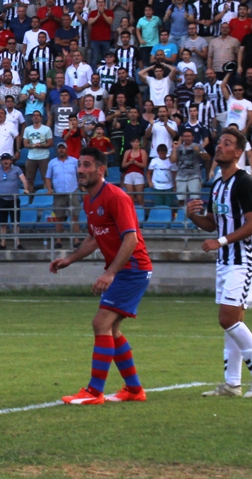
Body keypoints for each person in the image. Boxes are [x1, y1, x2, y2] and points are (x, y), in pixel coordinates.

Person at [48, 146, 152, 405]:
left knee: (101, 324)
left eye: (86, 165)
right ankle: (134, 390)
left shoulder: (115, 196)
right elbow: (95, 238)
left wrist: (110, 273)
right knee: (111, 329)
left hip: (133, 268)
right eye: (79, 166)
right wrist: (69, 260)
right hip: (126, 270)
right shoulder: (89, 200)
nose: (81, 171)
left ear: (101, 169)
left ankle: (95, 392)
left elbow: (131, 238)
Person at [185, 127, 252, 399]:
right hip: (226, 260)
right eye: (219, 142)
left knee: (227, 318)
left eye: (227, 143)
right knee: (231, 321)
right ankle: (232, 383)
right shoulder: (218, 184)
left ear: (238, 152)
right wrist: (193, 217)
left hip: (245, 259)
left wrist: (221, 241)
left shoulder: (246, 183)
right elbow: (212, 223)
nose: (220, 146)